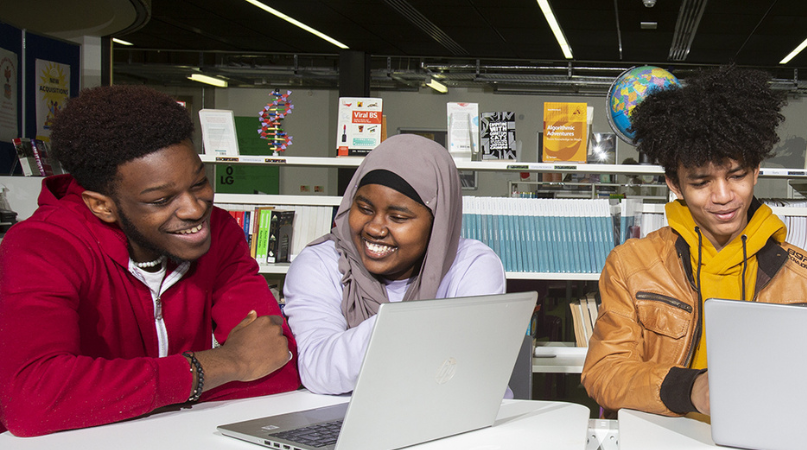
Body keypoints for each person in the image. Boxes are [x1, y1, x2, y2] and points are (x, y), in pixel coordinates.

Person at [0, 85, 299, 437]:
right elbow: (33, 401)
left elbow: (276, 361)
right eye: (160, 199)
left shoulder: (219, 231)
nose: (194, 209)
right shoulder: (41, 246)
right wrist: (227, 363)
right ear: (102, 205)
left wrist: (119, 393)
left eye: (199, 183)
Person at [582, 66, 807, 418]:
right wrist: (690, 389)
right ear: (674, 183)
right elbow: (603, 373)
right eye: (701, 183)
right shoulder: (631, 264)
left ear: (757, 169)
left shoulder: (805, 276)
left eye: (738, 175)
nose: (723, 196)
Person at [283, 134, 506, 395]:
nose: (375, 228)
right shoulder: (321, 263)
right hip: (346, 423)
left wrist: (379, 339)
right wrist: (420, 325)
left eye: (398, 217)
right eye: (364, 208)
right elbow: (319, 371)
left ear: (438, 223)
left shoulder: (472, 265)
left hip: (455, 421)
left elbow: (470, 375)